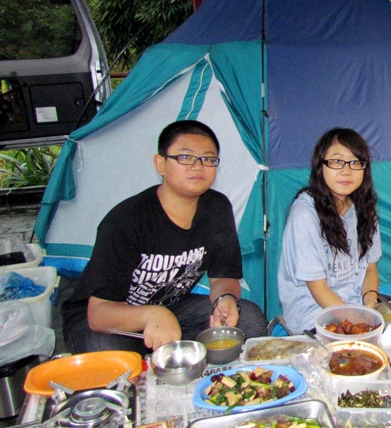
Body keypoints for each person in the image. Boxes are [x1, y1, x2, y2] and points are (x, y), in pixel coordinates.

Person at [63, 120, 268, 354]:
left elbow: (224, 276)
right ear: (161, 164)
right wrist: (151, 315)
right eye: (185, 157)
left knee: (249, 319)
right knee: (108, 351)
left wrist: (225, 299)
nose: (198, 166)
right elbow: (99, 315)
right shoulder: (126, 221)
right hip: (108, 320)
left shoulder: (217, 208)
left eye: (208, 159)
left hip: (169, 308)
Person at [278, 128, 382, 333]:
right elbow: (318, 288)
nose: (347, 171)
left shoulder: (364, 208)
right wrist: (359, 323)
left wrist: (369, 304)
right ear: (320, 165)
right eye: (336, 161)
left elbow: (370, 268)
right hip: (312, 314)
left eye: (355, 162)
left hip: (355, 306)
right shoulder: (305, 213)